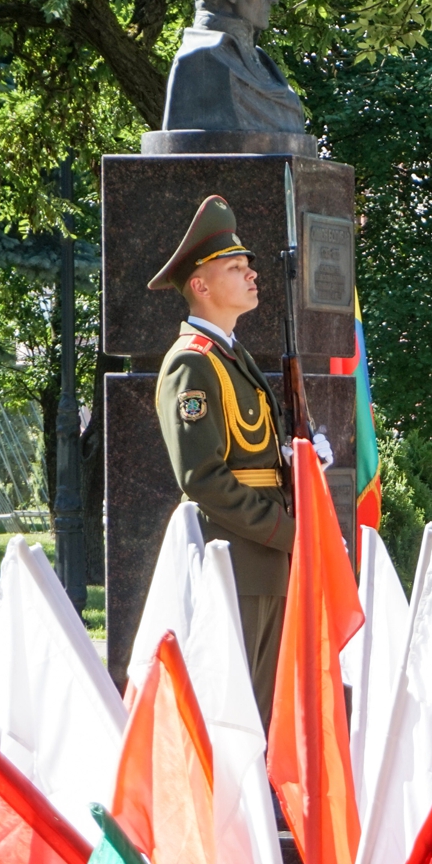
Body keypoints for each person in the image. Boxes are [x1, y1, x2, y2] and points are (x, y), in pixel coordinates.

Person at [150, 194, 331, 724]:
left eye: (247, 264)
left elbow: (253, 454)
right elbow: (202, 477)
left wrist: (298, 462)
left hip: (264, 560)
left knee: (267, 714)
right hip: (236, 559)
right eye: (235, 267)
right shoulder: (191, 365)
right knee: (236, 720)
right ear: (201, 286)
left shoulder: (233, 357)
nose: (251, 273)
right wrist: (289, 532)